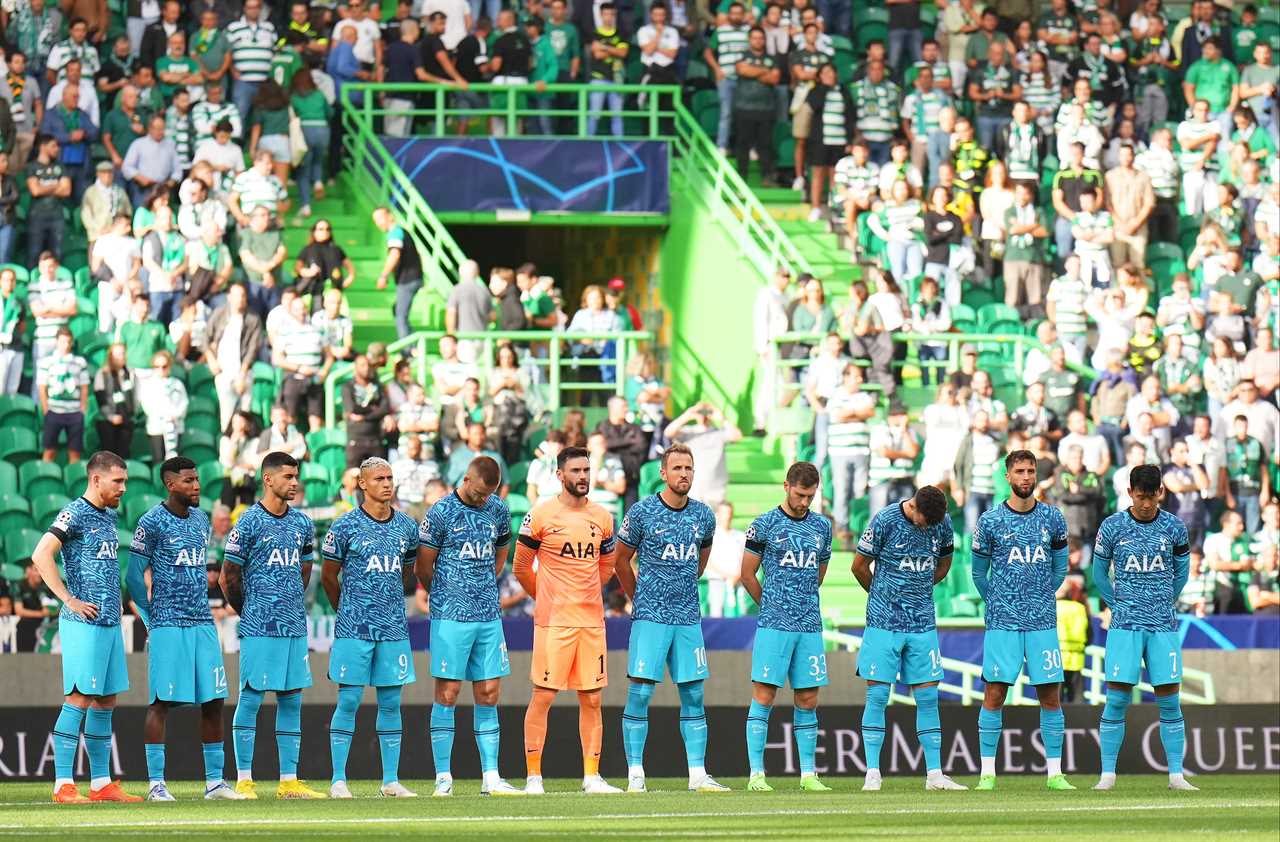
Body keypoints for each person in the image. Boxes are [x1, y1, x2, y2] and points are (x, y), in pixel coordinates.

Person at [612, 444, 729, 793]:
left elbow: (701, 558)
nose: (684, 474)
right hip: (650, 618)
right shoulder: (643, 511)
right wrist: (641, 599)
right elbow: (621, 560)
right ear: (663, 473)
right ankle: (635, 773)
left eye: (689, 468)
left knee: (693, 693)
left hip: (688, 619)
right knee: (640, 692)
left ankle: (697, 775)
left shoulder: (704, 515)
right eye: (677, 468)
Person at [125, 457, 244, 802]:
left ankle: (215, 784)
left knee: (214, 699)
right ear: (170, 484)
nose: (196, 486)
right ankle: (156, 785)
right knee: (161, 701)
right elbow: (133, 575)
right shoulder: (151, 522)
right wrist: (151, 618)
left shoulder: (201, 519)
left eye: (197, 479)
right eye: (189, 480)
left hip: (202, 622)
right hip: (168, 623)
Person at [29, 451, 139, 803]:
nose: (123, 487)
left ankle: (101, 784)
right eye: (117, 481)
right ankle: (63, 784)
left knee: (105, 701)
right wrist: (68, 599)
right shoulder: (73, 513)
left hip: (108, 621)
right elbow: (41, 553)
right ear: (96, 479)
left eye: (125, 481)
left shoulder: (108, 514)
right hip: (84, 622)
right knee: (78, 698)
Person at [514, 446, 622, 794]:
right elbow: (520, 566)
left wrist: (586, 593)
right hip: (554, 622)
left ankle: (592, 777)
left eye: (587, 471)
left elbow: (607, 567)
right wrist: (545, 597)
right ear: (560, 475)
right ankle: (534, 777)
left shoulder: (603, 517)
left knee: (592, 698)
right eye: (576, 471)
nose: (583, 477)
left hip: (591, 622)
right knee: (543, 695)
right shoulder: (541, 515)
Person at [414, 456, 523, 797]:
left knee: (489, 692)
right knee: (447, 692)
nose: (482, 499)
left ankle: (491, 777)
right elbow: (423, 567)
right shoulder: (440, 513)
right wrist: (446, 596)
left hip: (488, 615)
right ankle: (443, 777)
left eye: (488, 493)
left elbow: (502, 549)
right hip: (451, 616)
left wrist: (486, 582)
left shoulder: (497, 508)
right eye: (478, 493)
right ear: (465, 479)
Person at [219, 451, 325, 799]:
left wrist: (289, 600)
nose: (294, 483)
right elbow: (227, 578)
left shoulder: (301, 524)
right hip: (259, 626)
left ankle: (288, 781)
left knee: (292, 699)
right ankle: (245, 779)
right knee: (250, 698)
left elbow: (305, 568)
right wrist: (248, 611)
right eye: (288, 477)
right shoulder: (248, 522)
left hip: (293, 625)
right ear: (268, 479)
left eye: (296, 477)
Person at [970, 450, 1074, 791]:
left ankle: (1055, 774)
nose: (1026, 477)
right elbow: (977, 573)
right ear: (1007, 476)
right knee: (995, 693)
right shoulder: (990, 521)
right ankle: (987, 773)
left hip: (1043, 621)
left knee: (1050, 695)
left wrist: (1042, 595)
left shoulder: (1053, 518)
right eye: (1020, 471)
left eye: (1030, 471)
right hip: (1003, 622)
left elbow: (1060, 568)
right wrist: (1000, 601)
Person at [853, 484, 965, 792]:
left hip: (922, 624)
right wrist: (881, 596)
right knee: (878, 696)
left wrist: (920, 588)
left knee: (928, 696)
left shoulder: (941, 522)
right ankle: (873, 773)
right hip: (883, 623)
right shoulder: (885, 520)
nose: (929, 527)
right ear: (913, 506)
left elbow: (945, 561)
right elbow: (859, 566)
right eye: (925, 520)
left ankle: (934, 775)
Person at [320, 457, 420, 799]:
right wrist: (347, 610)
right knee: (348, 700)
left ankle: (390, 780)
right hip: (354, 629)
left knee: (391, 702)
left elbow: (407, 572)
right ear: (362, 484)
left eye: (390, 477)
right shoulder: (344, 526)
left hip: (393, 629)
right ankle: (337, 780)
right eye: (379, 478)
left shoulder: (407, 526)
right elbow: (328, 577)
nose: (387, 483)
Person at [1093, 465, 1196, 792]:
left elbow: (1182, 571)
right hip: (1125, 626)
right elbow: (1098, 572)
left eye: (1152, 497)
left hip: (1163, 625)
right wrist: (1117, 603)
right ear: (1129, 493)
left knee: (1169, 699)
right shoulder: (1112, 526)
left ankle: (1176, 776)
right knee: (1117, 699)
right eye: (1141, 497)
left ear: (1160, 493)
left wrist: (1166, 598)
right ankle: (1107, 775)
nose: (1147, 504)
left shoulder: (1175, 527)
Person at [740, 461, 831, 792]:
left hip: (808, 624)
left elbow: (819, 571)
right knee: (764, 695)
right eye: (800, 494)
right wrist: (772, 605)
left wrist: (801, 600)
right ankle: (756, 774)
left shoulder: (822, 527)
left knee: (808, 697)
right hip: (774, 625)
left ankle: (808, 774)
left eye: (811, 496)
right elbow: (747, 573)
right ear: (786, 486)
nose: (805, 502)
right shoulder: (764, 524)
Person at [732, 26, 780, 185]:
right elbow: (742, 70)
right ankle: (741, 178)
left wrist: (753, 71)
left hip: (766, 108)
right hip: (743, 107)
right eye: (754, 37)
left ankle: (767, 177)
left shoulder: (772, 58)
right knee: (742, 145)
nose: (758, 40)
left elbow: (774, 79)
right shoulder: (742, 56)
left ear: (764, 40)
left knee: (765, 145)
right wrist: (764, 71)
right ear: (749, 39)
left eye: (761, 38)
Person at [37, 327, 89, 465]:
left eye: (68, 341)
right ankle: (45, 480)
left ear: (71, 343)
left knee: (74, 452)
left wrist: (82, 409)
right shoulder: (46, 362)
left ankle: (73, 482)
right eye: (62, 341)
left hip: (74, 412)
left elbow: (84, 387)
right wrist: (46, 409)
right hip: (54, 411)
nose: (65, 345)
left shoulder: (80, 362)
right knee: (49, 451)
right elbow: (42, 387)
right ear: (56, 342)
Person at [373, 206, 424, 340]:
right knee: (397, 311)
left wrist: (383, 276)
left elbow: (394, 255)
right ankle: (412, 345)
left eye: (380, 218)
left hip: (407, 280)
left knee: (400, 316)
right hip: (412, 278)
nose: (378, 223)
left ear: (390, 216)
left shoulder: (395, 233)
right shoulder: (402, 232)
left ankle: (408, 351)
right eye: (375, 220)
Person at [752, 267, 792, 435]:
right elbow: (761, 320)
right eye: (783, 276)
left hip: (783, 346)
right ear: (776, 276)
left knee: (782, 384)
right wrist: (762, 346)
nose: (786, 280)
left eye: (788, 276)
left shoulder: (786, 297)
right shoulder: (766, 294)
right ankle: (760, 422)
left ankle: (774, 421)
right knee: (770, 382)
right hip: (770, 345)